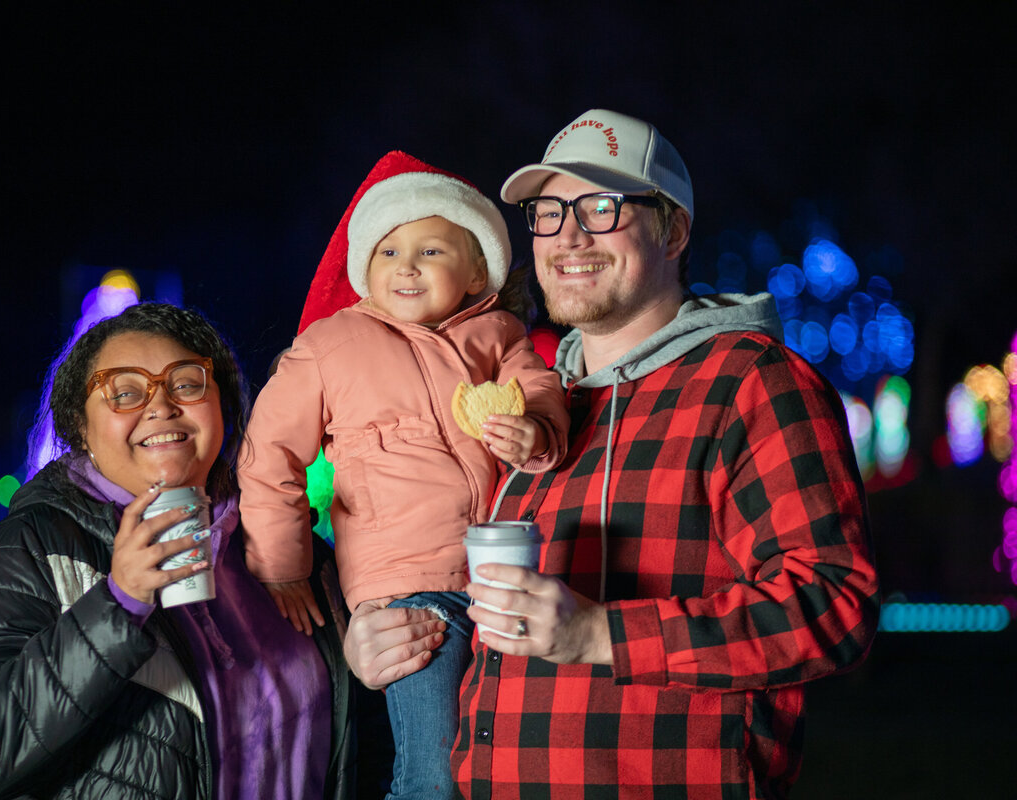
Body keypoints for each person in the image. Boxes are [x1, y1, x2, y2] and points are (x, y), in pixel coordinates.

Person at [342, 110, 880, 798]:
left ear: (673, 232)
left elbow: (834, 603)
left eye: (602, 208)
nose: (568, 236)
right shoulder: (530, 408)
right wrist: (384, 635)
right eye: (548, 213)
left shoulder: (750, 381)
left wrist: (600, 634)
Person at [237, 151, 570, 799]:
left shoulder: (500, 336)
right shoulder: (331, 345)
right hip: (407, 594)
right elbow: (269, 453)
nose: (406, 266)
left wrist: (535, 431)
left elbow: (541, 391)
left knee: (508, 765)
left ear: (476, 272)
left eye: (431, 251)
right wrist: (283, 566)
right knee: (434, 774)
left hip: (503, 578)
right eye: (387, 252)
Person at [0, 302, 353, 800]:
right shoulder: (32, 547)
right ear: (79, 427)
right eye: (125, 392)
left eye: (187, 384)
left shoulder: (294, 552)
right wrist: (119, 603)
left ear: (223, 406)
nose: (161, 406)